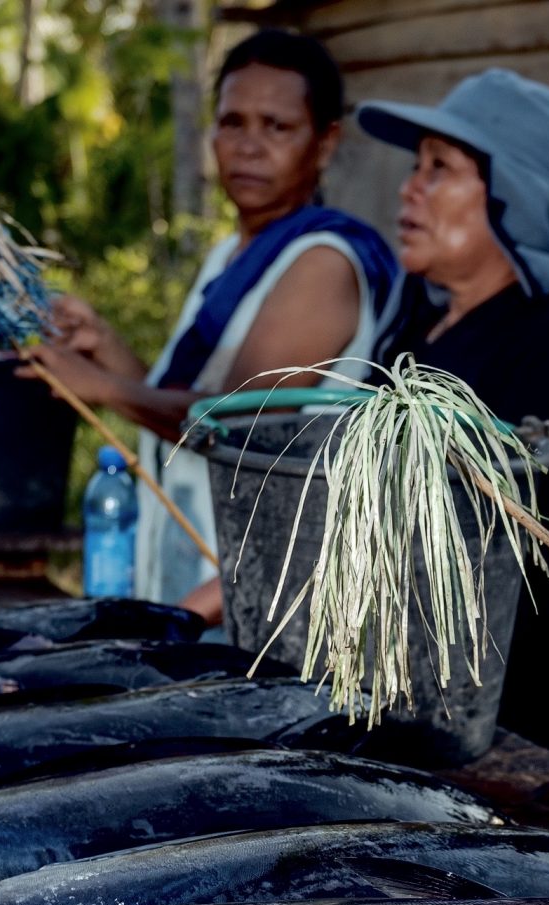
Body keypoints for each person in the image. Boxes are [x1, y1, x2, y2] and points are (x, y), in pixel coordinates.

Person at [27, 30, 396, 616]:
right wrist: (105, 348)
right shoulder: (229, 255)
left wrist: (102, 387)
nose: (249, 146)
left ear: (325, 144)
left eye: (277, 127)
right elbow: (186, 405)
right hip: (185, 574)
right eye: (233, 122)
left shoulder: (322, 262)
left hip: (250, 605)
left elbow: (236, 426)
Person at [355, 70, 549, 780]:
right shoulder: (415, 330)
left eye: (441, 169)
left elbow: (523, 573)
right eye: (416, 165)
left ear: (514, 197)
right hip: (420, 721)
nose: (409, 188)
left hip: (536, 748)